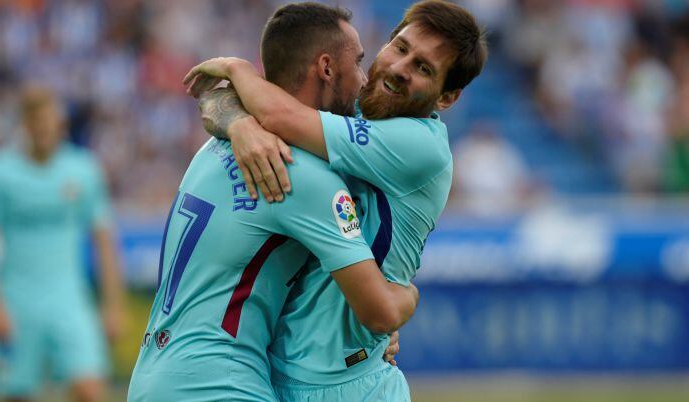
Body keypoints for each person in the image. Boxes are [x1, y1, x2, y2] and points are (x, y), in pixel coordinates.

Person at [185, 1, 487, 400]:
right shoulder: (357, 111)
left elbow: (275, 113)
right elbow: (211, 93)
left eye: (423, 69)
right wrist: (240, 124)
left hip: (350, 385)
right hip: (280, 377)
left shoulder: (420, 146)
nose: (399, 69)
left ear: (446, 99)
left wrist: (238, 69)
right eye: (400, 47)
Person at [127, 4, 418, 401]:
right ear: (327, 68)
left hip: (155, 376)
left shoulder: (217, 144)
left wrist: (237, 118)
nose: (365, 78)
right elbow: (379, 311)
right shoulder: (297, 172)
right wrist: (406, 298)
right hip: (221, 383)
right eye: (360, 62)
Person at [0, 86, 126, 402]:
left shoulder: (83, 170)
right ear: (24, 125)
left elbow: (105, 241)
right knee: (17, 394)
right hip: (16, 300)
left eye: (48, 122)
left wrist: (113, 305)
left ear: (59, 123)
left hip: (69, 298)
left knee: (89, 388)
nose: (43, 131)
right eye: (35, 123)